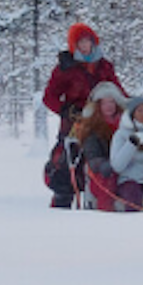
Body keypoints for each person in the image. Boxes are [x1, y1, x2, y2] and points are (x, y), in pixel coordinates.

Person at [42, 23, 126, 208]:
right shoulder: (65, 67)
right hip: (75, 121)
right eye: (80, 42)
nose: (85, 46)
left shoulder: (104, 66)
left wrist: (130, 107)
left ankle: (107, 197)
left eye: (88, 41)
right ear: (74, 45)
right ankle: (62, 200)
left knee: (106, 155)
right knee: (66, 160)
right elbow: (49, 97)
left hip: (102, 119)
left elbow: (117, 89)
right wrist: (65, 110)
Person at [70, 82, 129, 211]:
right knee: (106, 183)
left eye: (112, 102)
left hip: (126, 167)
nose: (109, 106)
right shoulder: (91, 128)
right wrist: (105, 165)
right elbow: (93, 156)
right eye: (104, 103)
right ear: (97, 106)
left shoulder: (127, 125)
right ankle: (104, 214)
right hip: (101, 171)